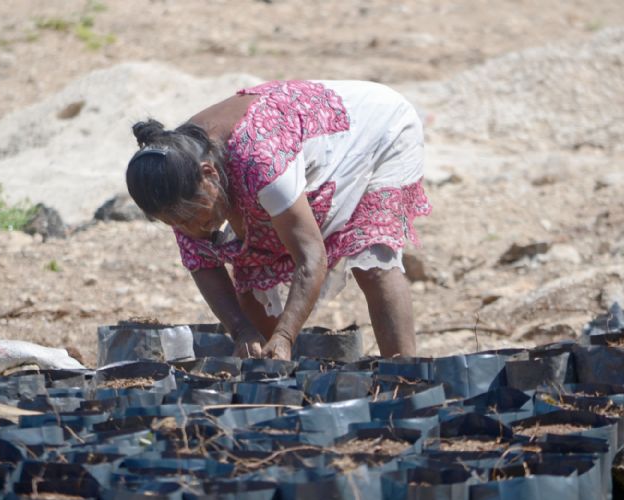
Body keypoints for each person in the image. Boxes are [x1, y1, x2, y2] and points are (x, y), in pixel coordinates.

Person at [126, 80, 431, 361]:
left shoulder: (259, 158)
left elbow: (311, 257)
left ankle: (403, 377)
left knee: (373, 260)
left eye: (192, 216)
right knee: (252, 268)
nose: (191, 230)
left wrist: (285, 335)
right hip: (290, 154)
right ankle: (275, 377)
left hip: (377, 130)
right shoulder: (174, 173)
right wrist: (240, 330)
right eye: (176, 223)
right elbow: (201, 261)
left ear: (210, 174)